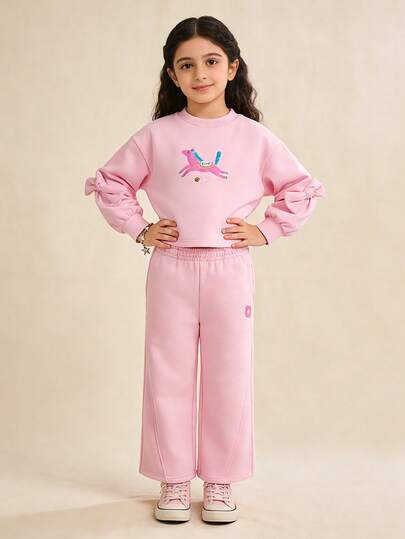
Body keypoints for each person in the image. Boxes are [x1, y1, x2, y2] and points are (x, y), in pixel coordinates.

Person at [84, 15, 326, 524]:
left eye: (212, 62)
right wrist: (140, 228)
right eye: (187, 65)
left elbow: (299, 187)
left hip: (228, 269)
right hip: (171, 268)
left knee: (228, 373)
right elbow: (111, 182)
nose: (201, 74)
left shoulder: (254, 138)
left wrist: (267, 229)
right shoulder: (157, 135)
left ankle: (220, 480)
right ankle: (173, 478)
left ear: (232, 67)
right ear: (172, 75)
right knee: (167, 371)